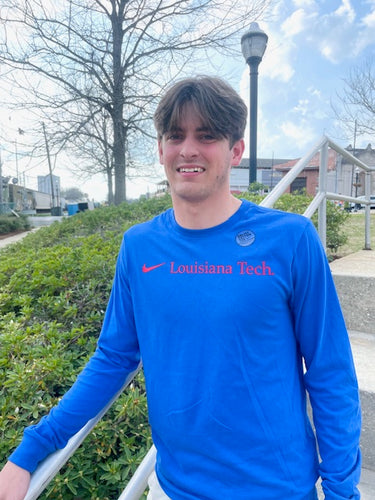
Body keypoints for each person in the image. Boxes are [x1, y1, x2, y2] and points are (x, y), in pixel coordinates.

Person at [0, 76, 361, 500]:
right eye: (176, 136)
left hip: (276, 488)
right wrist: (33, 448)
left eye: (206, 136)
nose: (188, 149)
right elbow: (114, 357)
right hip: (172, 488)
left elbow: (330, 371)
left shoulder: (291, 239)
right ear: (160, 150)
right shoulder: (139, 246)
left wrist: (341, 490)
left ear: (235, 150)